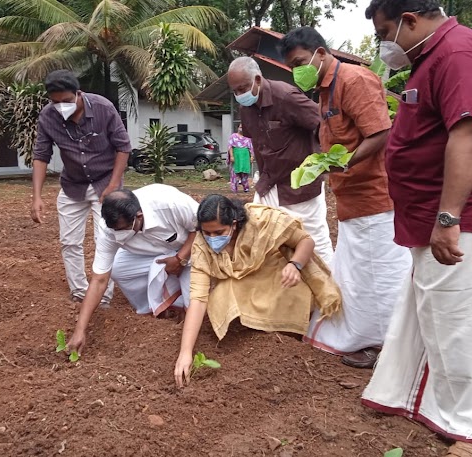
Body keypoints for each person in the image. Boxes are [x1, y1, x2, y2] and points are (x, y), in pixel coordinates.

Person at [360, 2, 472, 456]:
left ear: (410, 20)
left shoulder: (457, 54)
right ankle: (418, 396)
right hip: (428, 215)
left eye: (386, 31)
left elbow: (468, 135)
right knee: (433, 311)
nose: (384, 44)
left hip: (460, 217)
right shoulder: (430, 60)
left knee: (464, 321)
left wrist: (449, 218)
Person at [280, 28, 412, 368]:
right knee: (358, 277)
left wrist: (344, 163)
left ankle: (388, 345)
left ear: (320, 53)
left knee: (381, 277)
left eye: (299, 62)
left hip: (375, 200)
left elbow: (380, 132)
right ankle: (374, 337)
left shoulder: (354, 80)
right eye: (292, 66)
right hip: (353, 202)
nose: (297, 71)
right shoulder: (325, 92)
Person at [173, 195, 341, 387]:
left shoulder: (262, 221)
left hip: (278, 275)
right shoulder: (201, 248)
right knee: (221, 294)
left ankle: (287, 331)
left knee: (291, 293)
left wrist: (295, 265)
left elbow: (305, 241)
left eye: (219, 232)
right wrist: (185, 353)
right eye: (206, 233)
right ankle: (254, 328)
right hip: (242, 283)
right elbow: (198, 298)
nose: (212, 239)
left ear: (234, 224)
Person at [31, 69, 132, 306]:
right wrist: (36, 196)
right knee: (69, 242)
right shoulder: (48, 117)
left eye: (66, 101)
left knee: (105, 239)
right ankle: (79, 293)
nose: (61, 106)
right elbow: (41, 155)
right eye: (55, 102)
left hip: (106, 183)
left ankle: (103, 298)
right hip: (72, 185)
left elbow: (123, 147)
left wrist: (114, 185)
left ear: (78, 93)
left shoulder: (103, 108)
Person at [226, 57, 334, 266]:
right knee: (262, 236)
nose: (240, 95)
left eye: (243, 88)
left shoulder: (285, 96)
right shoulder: (245, 108)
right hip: (269, 183)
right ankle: (282, 292)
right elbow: (255, 140)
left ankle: (329, 294)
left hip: (300, 186)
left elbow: (323, 125)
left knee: (314, 242)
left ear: (257, 79)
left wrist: (319, 164)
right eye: (235, 91)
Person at [67, 185, 199, 354]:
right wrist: (80, 330)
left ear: (139, 216)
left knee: (194, 302)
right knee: (118, 269)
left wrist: (180, 259)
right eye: (115, 230)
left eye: (123, 229)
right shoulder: (108, 228)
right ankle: (153, 307)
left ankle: (184, 310)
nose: (118, 234)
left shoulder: (169, 203)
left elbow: (200, 228)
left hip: (190, 250)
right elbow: (99, 279)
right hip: (150, 253)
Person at [227, 124, 254, 193]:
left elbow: (251, 148)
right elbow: (230, 147)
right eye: (240, 127)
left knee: (244, 174)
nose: (241, 128)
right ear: (238, 128)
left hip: (245, 158)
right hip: (236, 157)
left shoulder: (248, 138)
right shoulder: (233, 136)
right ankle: (234, 190)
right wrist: (232, 156)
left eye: (243, 127)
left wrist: (252, 157)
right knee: (234, 174)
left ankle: (246, 189)